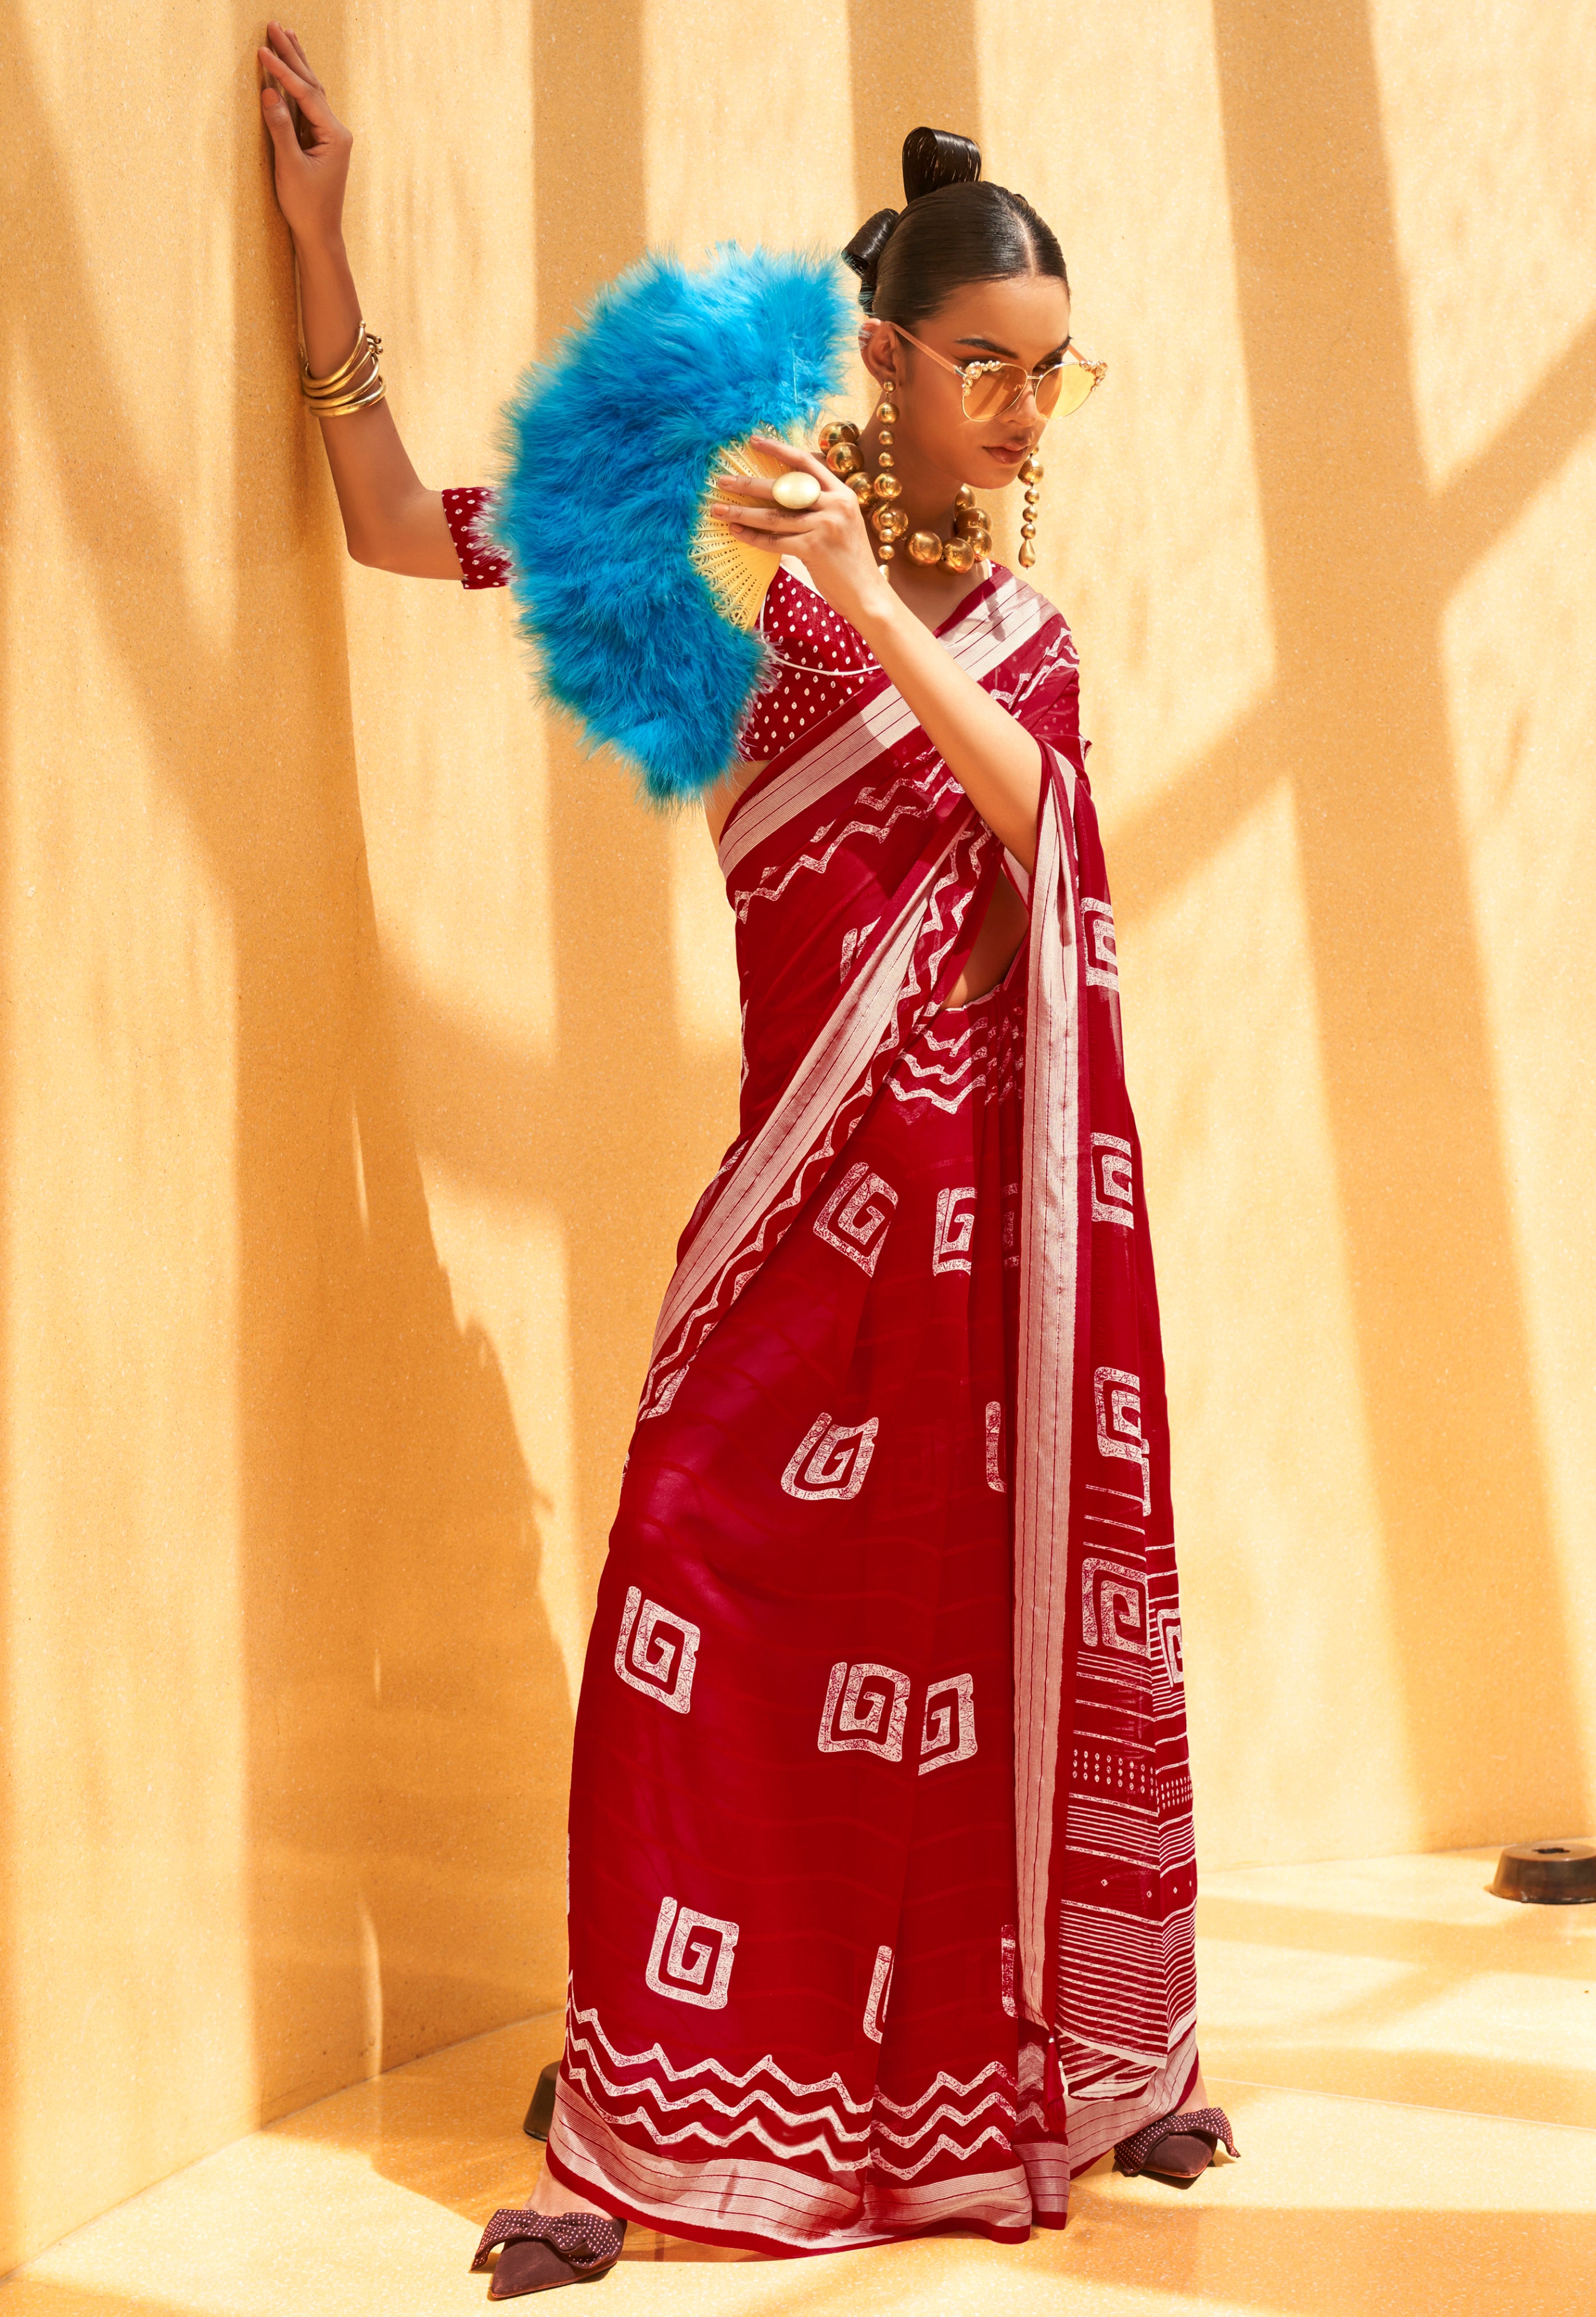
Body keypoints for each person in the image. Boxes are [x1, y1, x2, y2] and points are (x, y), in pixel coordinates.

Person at [258, 22, 1236, 2298]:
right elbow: (399, 527)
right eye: (985, 366)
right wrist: (322, 255)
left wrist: (885, 604)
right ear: (881, 356)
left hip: (977, 1260)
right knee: (682, 1614)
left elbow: (1047, 827)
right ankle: (650, 2109)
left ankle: (1021, 2066)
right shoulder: (725, 557)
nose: (1021, 412)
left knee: (954, 1668)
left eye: (1051, 375)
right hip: (794, 1227)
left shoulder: (1013, 639)